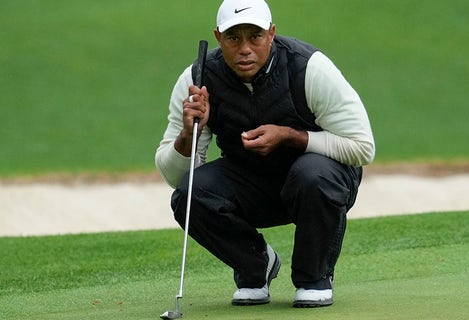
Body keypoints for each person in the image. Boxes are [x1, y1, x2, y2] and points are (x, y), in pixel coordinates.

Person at [155, 0, 375, 308]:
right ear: (218, 38)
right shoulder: (198, 78)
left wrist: (290, 136)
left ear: (271, 34)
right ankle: (256, 265)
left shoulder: (308, 67)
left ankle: (315, 277)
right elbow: (176, 178)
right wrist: (188, 134)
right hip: (252, 183)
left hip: (318, 183)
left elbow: (363, 148)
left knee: (312, 174)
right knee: (189, 193)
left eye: (255, 36)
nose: (245, 48)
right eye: (233, 38)